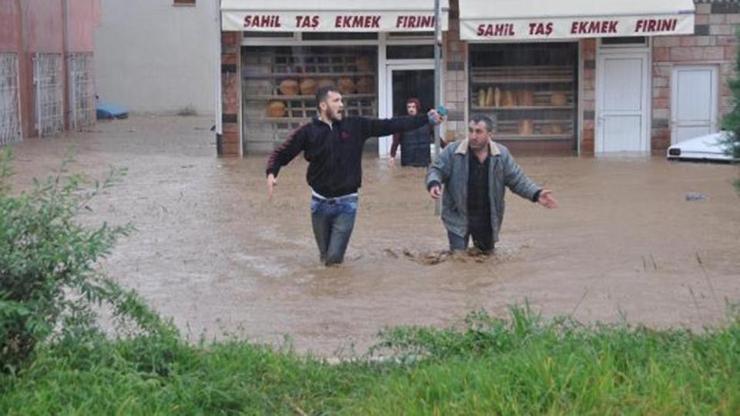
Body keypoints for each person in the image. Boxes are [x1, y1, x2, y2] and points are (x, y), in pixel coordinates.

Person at [266, 86, 444, 266]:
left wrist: (425, 119)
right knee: (324, 257)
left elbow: (390, 125)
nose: (341, 105)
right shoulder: (308, 131)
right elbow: (283, 152)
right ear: (322, 105)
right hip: (319, 204)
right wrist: (272, 172)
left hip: (346, 204)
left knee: (334, 259)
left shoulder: (355, 126)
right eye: (336, 101)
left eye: (342, 101)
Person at [425, 114, 557, 253]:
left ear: (490, 134)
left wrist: (536, 194)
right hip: (457, 215)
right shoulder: (453, 151)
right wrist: (434, 183)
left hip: (487, 218)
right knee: (458, 259)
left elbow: (518, 180)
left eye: (478, 131)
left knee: (486, 262)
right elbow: (436, 169)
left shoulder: (501, 155)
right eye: (470, 130)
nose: (473, 136)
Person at [389, 98, 440, 167]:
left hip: (423, 160)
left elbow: (436, 137)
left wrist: (447, 148)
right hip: (408, 160)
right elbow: (396, 141)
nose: (411, 109)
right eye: (409, 107)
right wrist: (392, 156)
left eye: (413, 107)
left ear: (417, 108)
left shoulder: (426, 122)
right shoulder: (401, 123)